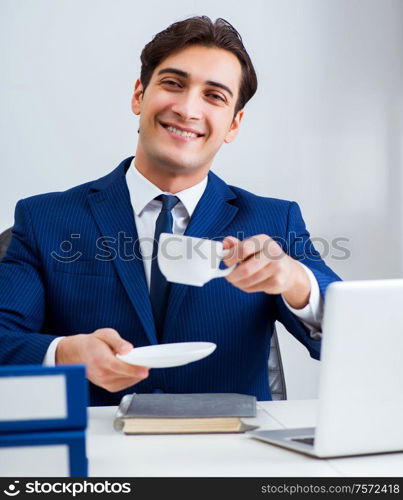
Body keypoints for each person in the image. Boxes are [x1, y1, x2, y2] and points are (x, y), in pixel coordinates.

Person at [0, 16, 340, 405]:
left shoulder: (273, 221)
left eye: (214, 96)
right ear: (138, 95)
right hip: (98, 456)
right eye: (173, 84)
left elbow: (357, 335)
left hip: (232, 456)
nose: (187, 108)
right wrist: (62, 352)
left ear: (234, 124)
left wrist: (298, 282)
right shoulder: (44, 218)